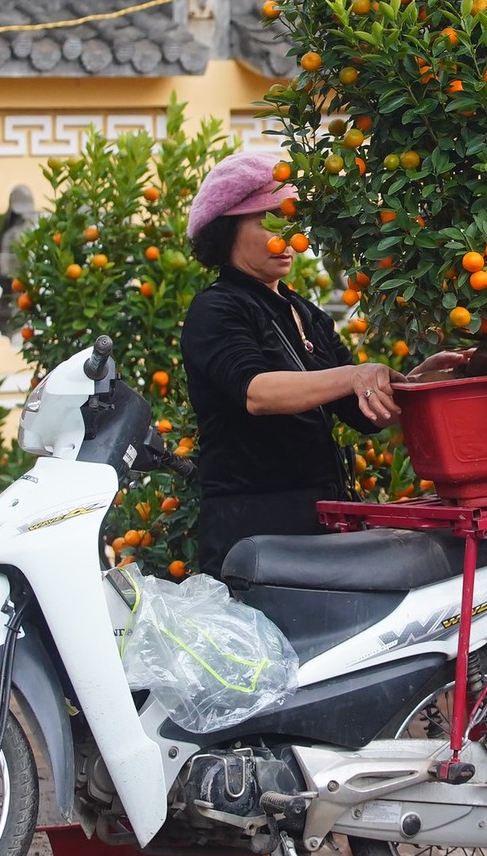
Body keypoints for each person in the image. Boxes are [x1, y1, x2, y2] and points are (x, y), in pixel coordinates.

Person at [179, 150, 465, 573]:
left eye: (290, 220)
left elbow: (364, 414)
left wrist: (419, 382)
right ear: (227, 230)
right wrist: (354, 375)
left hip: (322, 519)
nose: (288, 237)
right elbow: (256, 392)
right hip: (254, 530)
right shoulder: (217, 308)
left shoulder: (305, 312)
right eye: (267, 220)